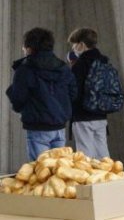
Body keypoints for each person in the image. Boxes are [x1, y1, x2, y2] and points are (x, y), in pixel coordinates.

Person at [7, 28, 77, 161]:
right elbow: (73, 94)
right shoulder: (63, 68)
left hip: (38, 127)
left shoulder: (25, 70)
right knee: (59, 170)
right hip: (59, 126)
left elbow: (18, 99)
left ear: (29, 48)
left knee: (41, 172)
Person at [66, 28, 112, 159]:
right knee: (103, 152)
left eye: (74, 44)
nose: (73, 48)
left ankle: (90, 180)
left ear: (81, 44)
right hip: (101, 114)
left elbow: (74, 91)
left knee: (85, 155)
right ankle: (108, 177)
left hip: (82, 115)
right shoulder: (104, 61)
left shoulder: (79, 65)